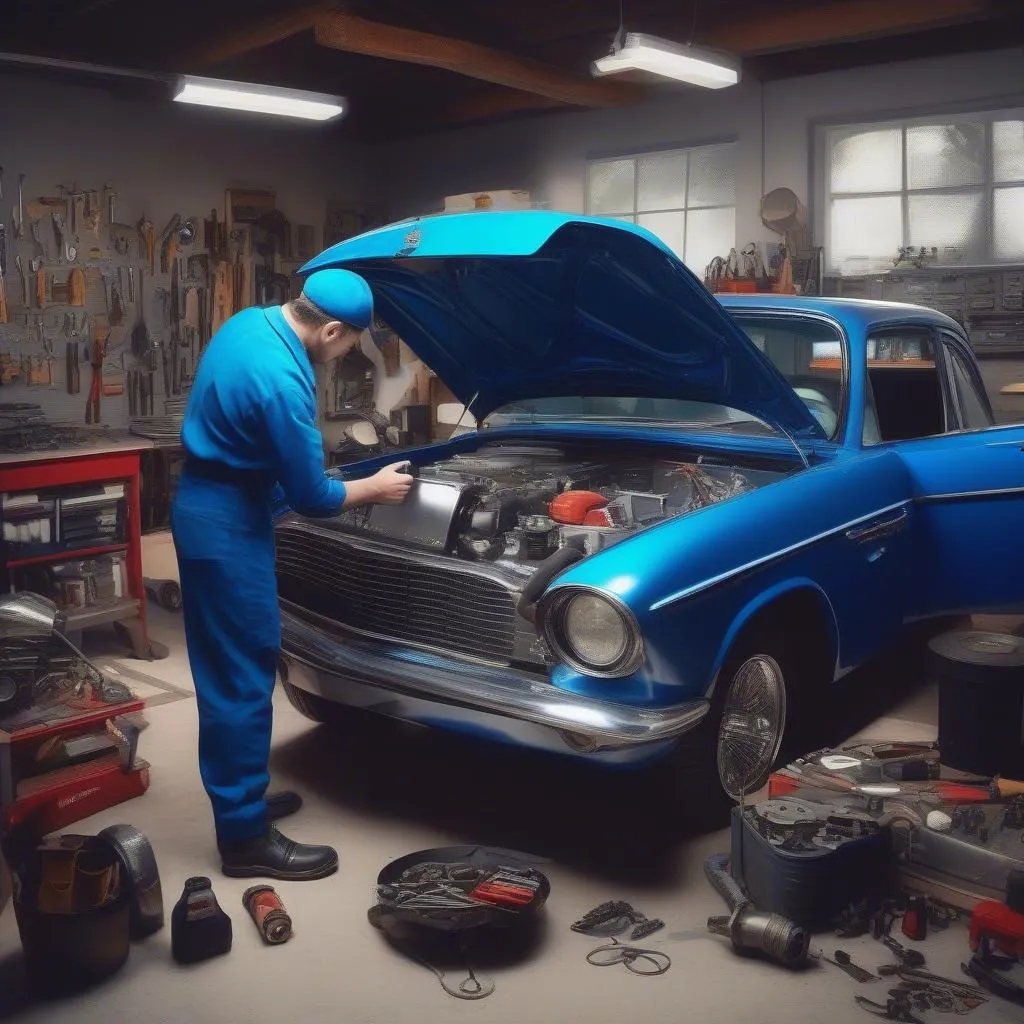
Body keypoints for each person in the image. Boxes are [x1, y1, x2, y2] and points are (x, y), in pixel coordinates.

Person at [172, 269, 412, 881]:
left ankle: (242, 800)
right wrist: (375, 488)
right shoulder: (282, 381)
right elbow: (312, 495)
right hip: (226, 526)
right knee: (241, 678)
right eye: (347, 345)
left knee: (237, 668)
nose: (344, 356)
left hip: (217, 503)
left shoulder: (251, 322)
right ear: (330, 327)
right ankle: (244, 837)